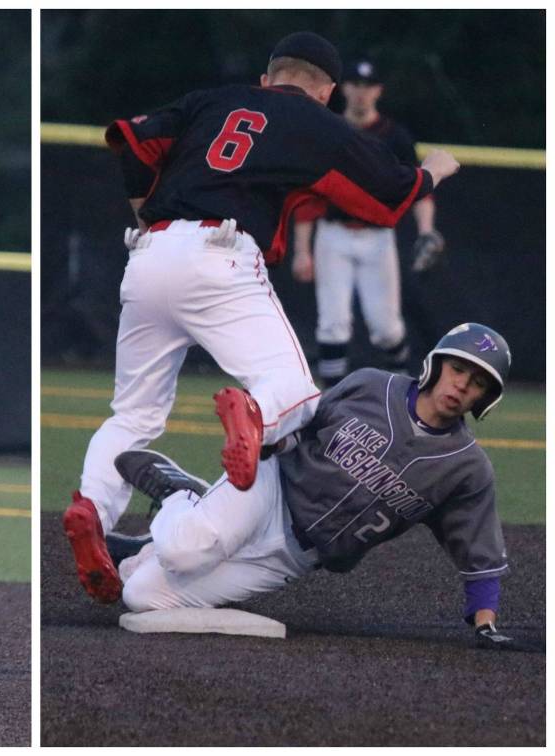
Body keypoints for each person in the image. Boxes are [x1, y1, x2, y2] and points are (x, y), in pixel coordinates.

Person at [63, 30, 461, 604]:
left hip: (148, 253)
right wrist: (435, 172)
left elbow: (129, 139)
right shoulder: (320, 124)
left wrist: (143, 209)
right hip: (221, 256)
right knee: (297, 396)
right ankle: (255, 413)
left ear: (266, 78)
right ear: (326, 92)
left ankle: (91, 513)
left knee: (131, 415)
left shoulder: (212, 100)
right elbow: (390, 197)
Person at [110, 323, 522, 651]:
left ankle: (146, 548)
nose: (462, 386)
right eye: (459, 369)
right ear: (437, 364)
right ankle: (180, 492)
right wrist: (273, 438)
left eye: (478, 383)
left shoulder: (467, 468)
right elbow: (306, 424)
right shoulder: (372, 386)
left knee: (143, 595)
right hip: (269, 488)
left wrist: (485, 624)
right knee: (185, 550)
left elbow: (478, 552)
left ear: (486, 398)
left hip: (294, 557)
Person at [291, 58, 445, 385]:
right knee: (333, 323)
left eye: (368, 86)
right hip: (333, 234)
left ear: (378, 91)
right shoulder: (328, 128)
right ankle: (332, 404)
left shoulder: (395, 136)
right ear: (344, 88)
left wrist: (427, 229)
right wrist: (302, 249)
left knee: (386, 329)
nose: (361, 93)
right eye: (356, 85)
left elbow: (419, 186)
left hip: (377, 237)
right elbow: (308, 195)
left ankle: (404, 393)